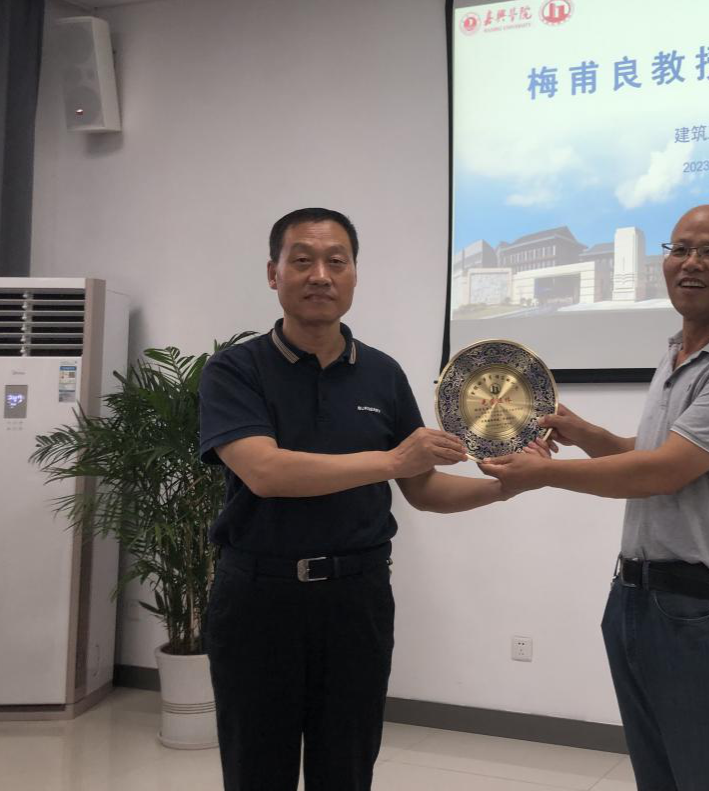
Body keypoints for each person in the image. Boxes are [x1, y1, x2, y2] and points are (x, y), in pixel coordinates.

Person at [199, 207, 515, 791]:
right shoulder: (235, 370)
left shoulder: (382, 373)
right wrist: (393, 460)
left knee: (346, 767)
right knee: (255, 769)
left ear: (353, 275)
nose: (320, 275)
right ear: (273, 273)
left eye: (336, 261)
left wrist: (503, 487)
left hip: (357, 599)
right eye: (302, 260)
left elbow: (424, 489)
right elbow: (265, 472)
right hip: (258, 599)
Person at [480, 204, 709, 791]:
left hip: (700, 610)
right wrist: (585, 433)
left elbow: (665, 472)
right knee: (660, 778)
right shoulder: (676, 353)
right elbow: (652, 454)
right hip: (634, 600)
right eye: (680, 249)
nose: (691, 263)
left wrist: (543, 475)